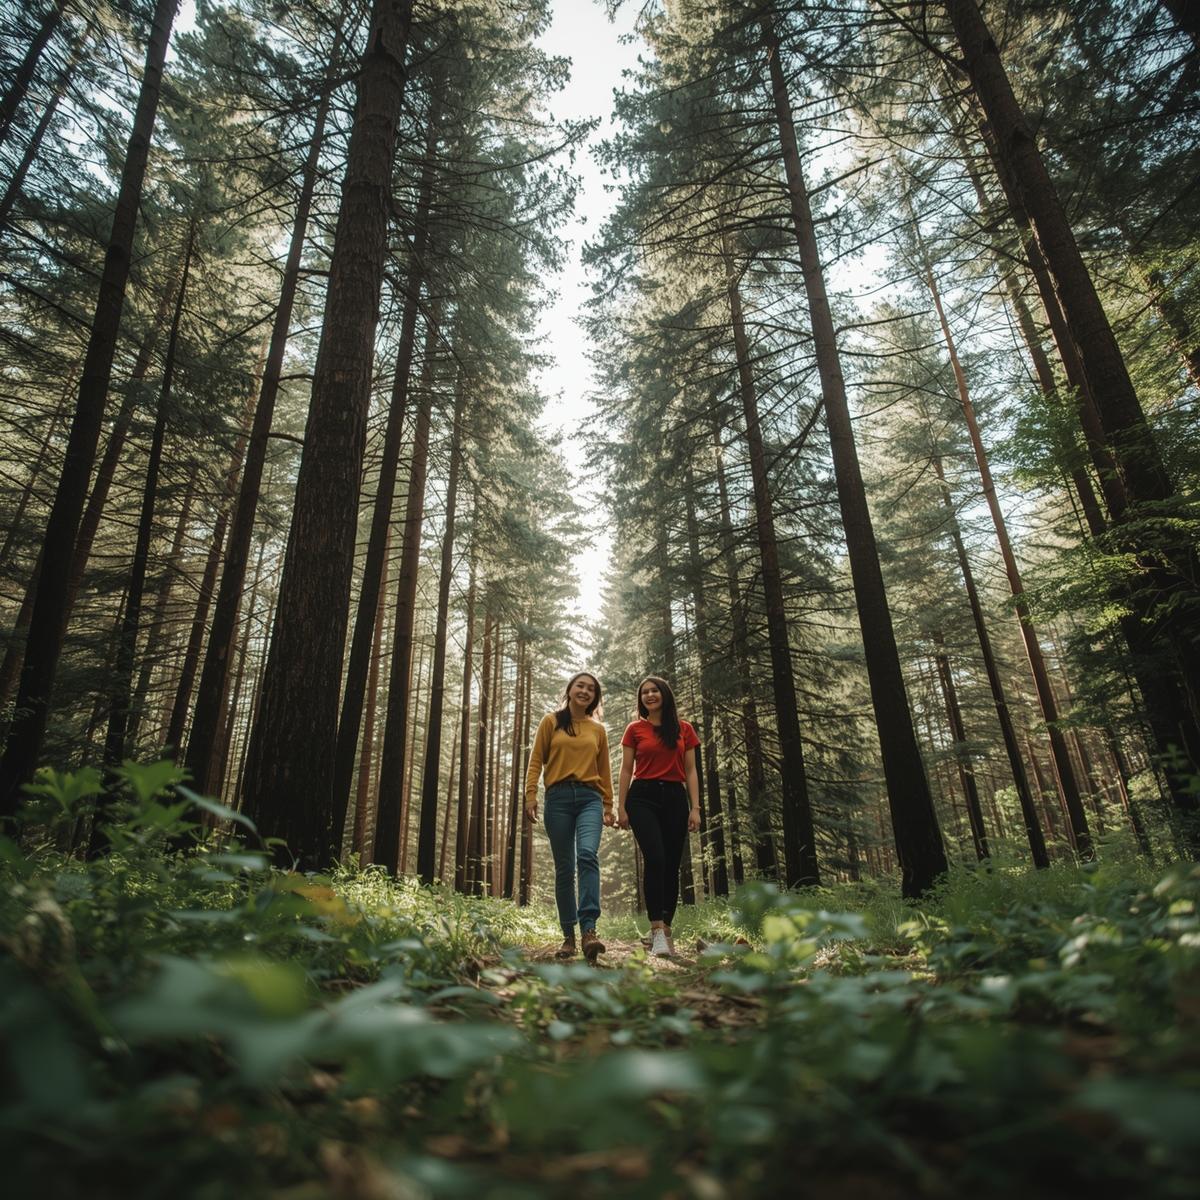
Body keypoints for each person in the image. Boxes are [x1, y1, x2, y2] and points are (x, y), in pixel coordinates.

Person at [524, 671, 615, 962]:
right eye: (581, 686)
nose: (585, 691)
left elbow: (605, 769)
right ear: (570, 689)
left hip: (590, 798)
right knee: (565, 868)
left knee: (587, 854)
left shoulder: (598, 730)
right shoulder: (551, 722)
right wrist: (530, 795)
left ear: (595, 697)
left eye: (591, 689)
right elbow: (536, 759)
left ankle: (589, 930)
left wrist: (609, 804)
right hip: (558, 799)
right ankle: (568, 936)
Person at [617, 676, 701, 957]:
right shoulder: (635, 729)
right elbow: (626, 769)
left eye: (654, 691)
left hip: (675, 799)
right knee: (656, 858)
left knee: (672, 864)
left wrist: (695, 807)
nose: (649, 695)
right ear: (641, 700)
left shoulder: (684, 729)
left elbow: (690, 771)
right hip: (642, 797)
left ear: (664, 694)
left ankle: (666, 930)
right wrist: (621, 806)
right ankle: (656, 932)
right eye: (644, 693)